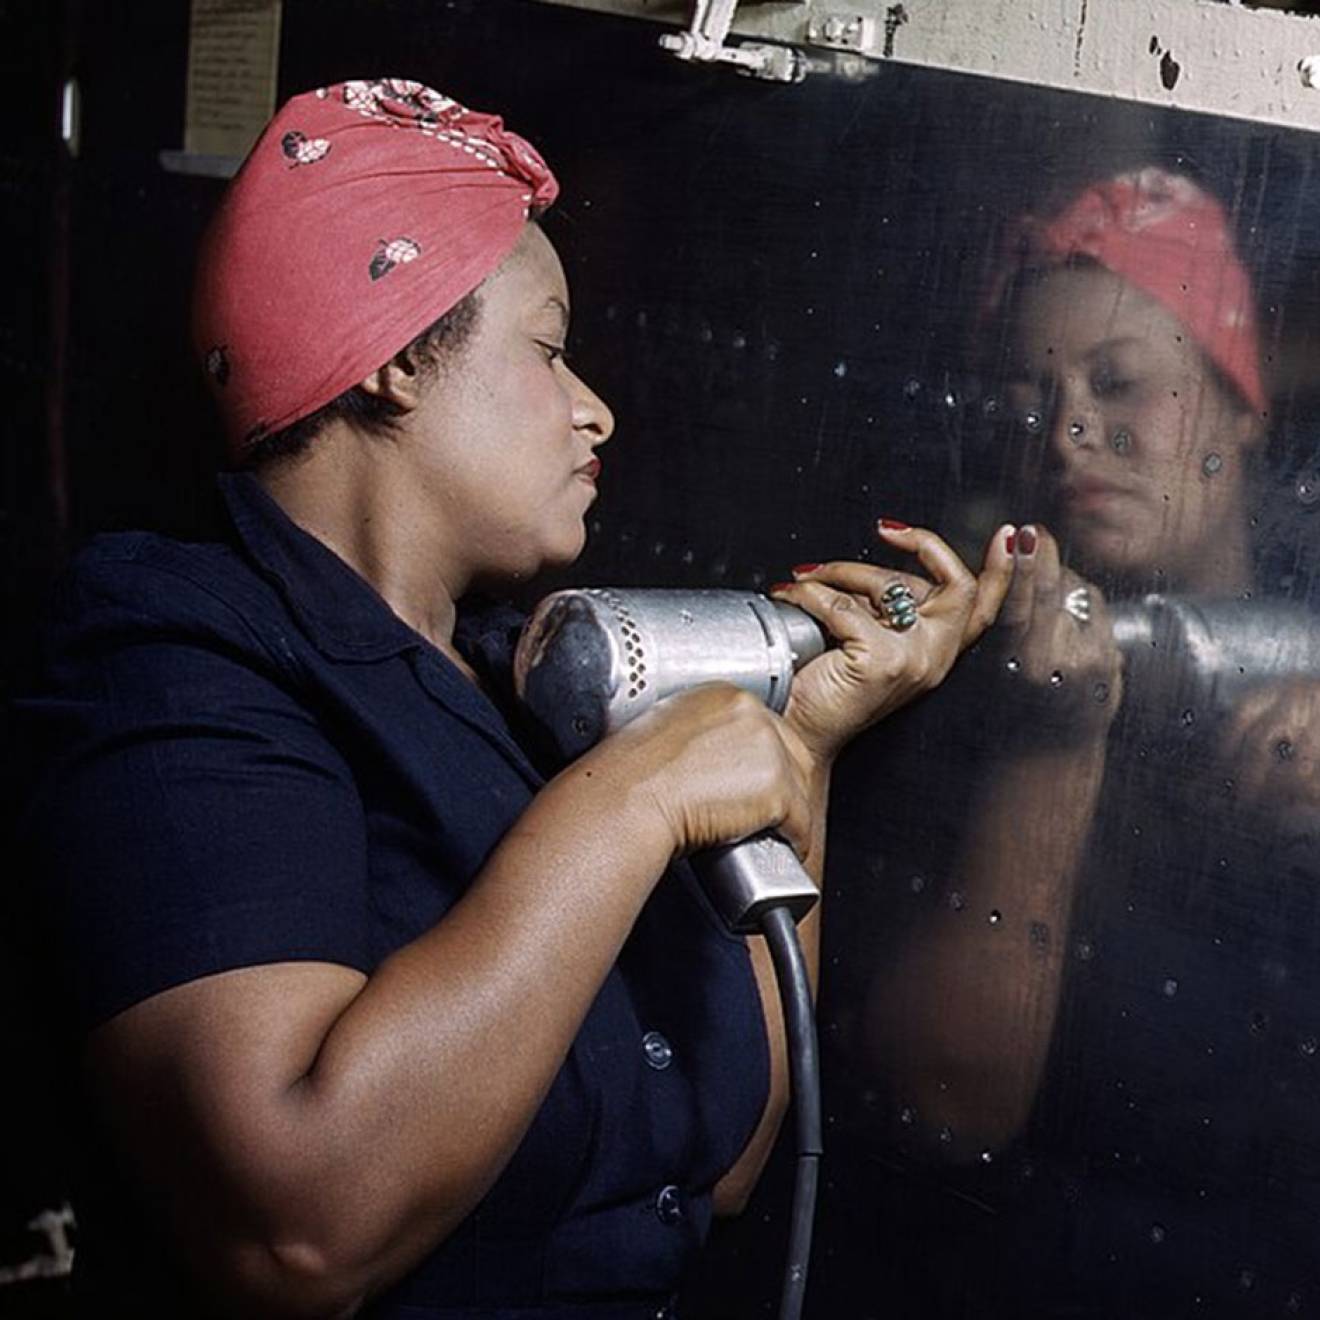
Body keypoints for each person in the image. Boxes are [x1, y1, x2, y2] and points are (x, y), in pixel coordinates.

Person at [16, 78, 1012, 1318]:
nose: (595, 408)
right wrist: (636, 800)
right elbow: (294, 1231)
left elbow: (725, 1164)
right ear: (395, 358)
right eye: (547, 349)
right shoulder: (168, 658)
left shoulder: (514, 684)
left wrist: (799, 746)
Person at [849, 167, 1320, 1316]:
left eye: (1120, 383)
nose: (1065, 434)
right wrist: (1048, 751)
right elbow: (944, 1110)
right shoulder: (950, 694)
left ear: (1242, 405)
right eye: (1028, 399)